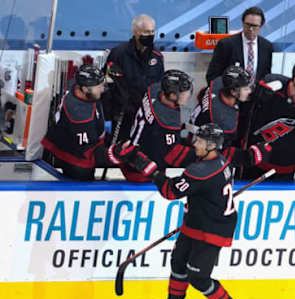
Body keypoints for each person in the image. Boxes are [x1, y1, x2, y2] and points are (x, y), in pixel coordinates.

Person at [111, 124, 262, 299]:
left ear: (211, 146)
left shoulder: (201, 171)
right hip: (197, 221)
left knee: (199, 278)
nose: (194, 144)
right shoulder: (219, 161)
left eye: (199, 141)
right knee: (178, 264)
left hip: (213, 229)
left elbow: (169, 191)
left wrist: (144, 166)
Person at [242, 59, 295, 181]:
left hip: (284, 171)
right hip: (255, 160)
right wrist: (256, 94)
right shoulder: (271, 84)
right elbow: (245, 105)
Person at [41, 64, 121, 180]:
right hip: (77, 160)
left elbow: (99, 88)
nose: (102, 89)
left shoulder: (77, 86)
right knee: (81, 186)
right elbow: (89, 153)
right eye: (99, 87)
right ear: (84, 89)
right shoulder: (80, 117)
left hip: (67, 139)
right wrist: (115, 154)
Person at [121, 69, 196, 182]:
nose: (187, 95)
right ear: (172, 95)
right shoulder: (166, 119)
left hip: (130, 154)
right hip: (142, 171)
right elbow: (172, 155)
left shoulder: (155, 90)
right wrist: (201, 155)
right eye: (183, 93)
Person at [104, 14, 164, 142]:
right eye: (146, 32)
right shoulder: (118, 53)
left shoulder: (157, 57)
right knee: (118, 148)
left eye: (153, 31)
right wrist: (110, 114)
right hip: (122, 114)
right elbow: (108, 84)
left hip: (147, 115)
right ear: (136, 32)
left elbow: (159, 87)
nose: (151, 35)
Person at [206, 6, 273, 84]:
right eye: (247, 25)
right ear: (242, 23)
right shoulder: (226, 44)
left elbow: (266, 76)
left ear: (261, 26)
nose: (250, 29)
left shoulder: (267, 47)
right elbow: (213, 76)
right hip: (231, 93)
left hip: (256, 94)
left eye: (254, 26)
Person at [190, 65, 252, 148]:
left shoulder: (220, 82)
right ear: (233, 92)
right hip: (203, 144)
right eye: (245, 89)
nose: (250, 91)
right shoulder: (222, 120)